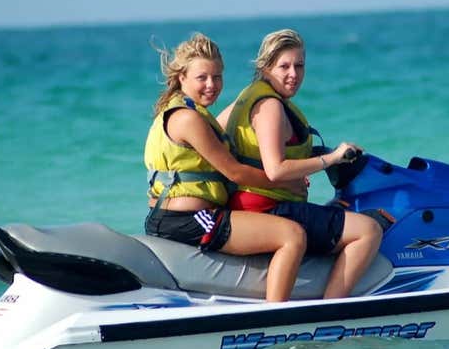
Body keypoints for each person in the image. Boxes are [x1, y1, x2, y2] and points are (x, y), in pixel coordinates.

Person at [217, 28, 383, 299]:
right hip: (270, 208)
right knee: (368, 229)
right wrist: (332, 158)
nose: (293, 74)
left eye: (299, 65)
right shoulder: (270, 106)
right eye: (284, 66)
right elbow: (275, 169)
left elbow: (218, 134)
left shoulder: (247, 97)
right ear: (266, 66)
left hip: (249, 204)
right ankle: (332, 310)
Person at [143, 32, 308, 302]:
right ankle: (275, 319)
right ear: (181, 78)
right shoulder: (187, 119)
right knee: (292, 235)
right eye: (202, 77)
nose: (212, 85)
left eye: (217, 77)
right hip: (186, 220)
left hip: (181, 216)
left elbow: (231, 124)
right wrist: (286, 180)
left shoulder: (193, 112)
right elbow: (235, 172)